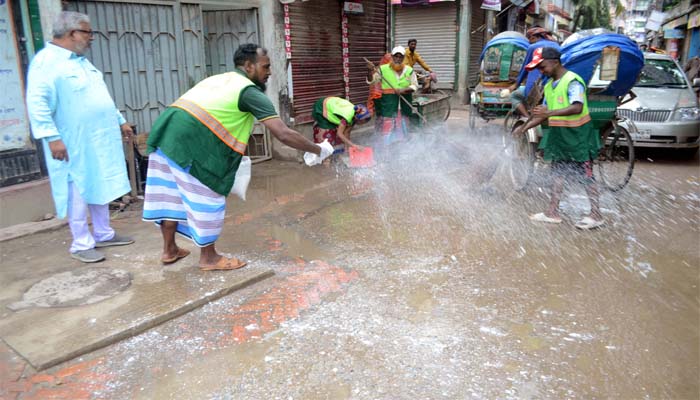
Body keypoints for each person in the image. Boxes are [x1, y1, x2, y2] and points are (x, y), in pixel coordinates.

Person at [143, 44, 333, 271]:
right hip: (191, 142)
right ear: (249, 66)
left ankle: (169, 250)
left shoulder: (218, 79)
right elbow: (282, 133)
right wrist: (318, 149)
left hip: (164, 134)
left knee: (170, 195)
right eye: (266, 66)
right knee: (207, 196)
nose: (270, 72)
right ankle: (209, 257)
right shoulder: (248, 91)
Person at [26, 11, 135, 263]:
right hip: (71, 141)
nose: (91, 38)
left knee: (99, 184)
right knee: (77, 190)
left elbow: (100, 96)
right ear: (72, 33)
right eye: (88, 32)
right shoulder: (46, 62)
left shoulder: (81, 61)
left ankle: (104, 234)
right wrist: (51, 137)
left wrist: (121, 121)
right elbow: (37, 103)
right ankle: (81, 243)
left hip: (97, 139)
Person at [513, 47, 604, 230]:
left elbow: (576, 107)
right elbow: (542, 115)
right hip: (559, 137)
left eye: (542, 66)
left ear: (555, 62)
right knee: (557, 173)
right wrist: (524, 128)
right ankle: (552, 212)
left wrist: (550, 112)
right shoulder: (549, 86)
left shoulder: (572, 82)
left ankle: (596, 214)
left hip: (578, 137)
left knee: (586, 175)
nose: (541, 71)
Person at [366, 46, 418, 146]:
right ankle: (387, 147)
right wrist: (369, 71)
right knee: (388, 125)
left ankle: (403, 145)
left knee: (403, 124)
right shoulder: (382, 69)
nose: (398, 59)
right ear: (392, 57)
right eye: (396, 56)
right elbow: (371, 80)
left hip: (404, 103)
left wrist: (403, 90)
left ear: (403, 58)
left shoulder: (409, 70)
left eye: (400, 57)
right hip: (389, 104)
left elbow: (415, 85)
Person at [506, 26, 560, 118]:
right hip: (553, 85)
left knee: (514, 96)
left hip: (534, 88)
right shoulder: (557, 46)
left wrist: (516, 84)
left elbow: (525, 68)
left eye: (529, 39)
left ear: (534, 37)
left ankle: (527, 118)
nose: (529, 42)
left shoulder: (533, 47)